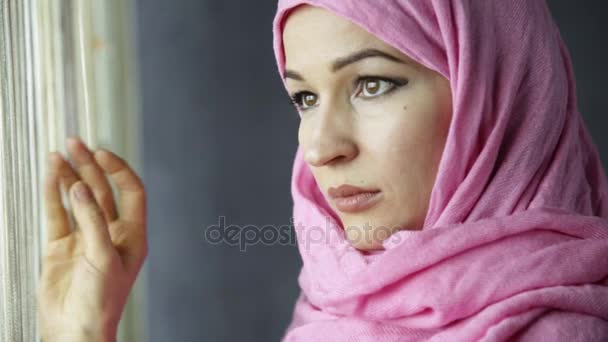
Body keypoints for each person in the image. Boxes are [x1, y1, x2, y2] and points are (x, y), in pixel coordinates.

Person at [38, 1, 608, 341]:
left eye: (372, 84)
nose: (319, 149)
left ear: (496, 97)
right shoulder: (333, 311)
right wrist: (83, 330)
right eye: (305, 99)